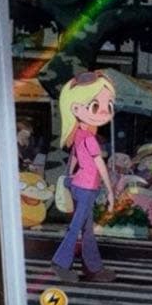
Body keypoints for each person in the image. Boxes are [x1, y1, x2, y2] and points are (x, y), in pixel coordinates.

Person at [51, 71, 116, 283]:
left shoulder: (78, 134)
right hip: (87, 187)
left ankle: (93, 268)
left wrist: (69, 179)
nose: (105, 112)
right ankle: (61, 263)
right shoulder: (89, 139)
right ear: (76, 109)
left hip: (80, 185)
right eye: (95, 106)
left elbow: (73, 159)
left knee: (86, 229)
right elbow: (100, 166)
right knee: (78, 227)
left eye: (109, 105)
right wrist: (110, 192)